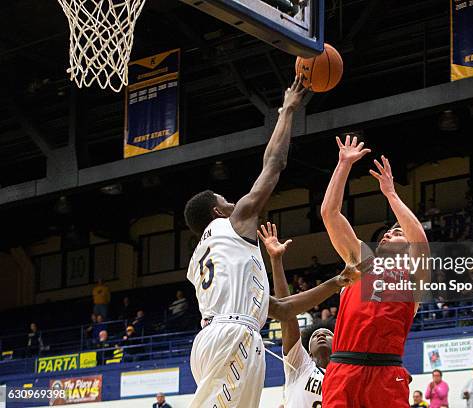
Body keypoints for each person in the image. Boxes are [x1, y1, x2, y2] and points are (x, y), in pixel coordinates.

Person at [184, 76, 364, 408]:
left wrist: (337, 281)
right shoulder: (234, 222)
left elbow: (281, 309)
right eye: (226, 200)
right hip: (233, 336)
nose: (232, 203)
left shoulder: (204, 258)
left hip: (215, 338)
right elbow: (274, 164)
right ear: (217, 210)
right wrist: (288, 109)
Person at [320, 137, 430, 408]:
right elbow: (329, 213)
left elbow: (420, 239)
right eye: (386, 232)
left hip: (386, 373)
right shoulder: (361, 260)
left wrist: (391, 194)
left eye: (396, 233)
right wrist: (343, 165)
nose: (387, 235)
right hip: (344, 368)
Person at [258, 222, 333, 408]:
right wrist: (276, 260)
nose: (321, 335)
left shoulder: (348, 372)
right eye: (315, 335)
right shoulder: (301, 365)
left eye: (327, 334)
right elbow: (287, 312)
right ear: (307, 351)